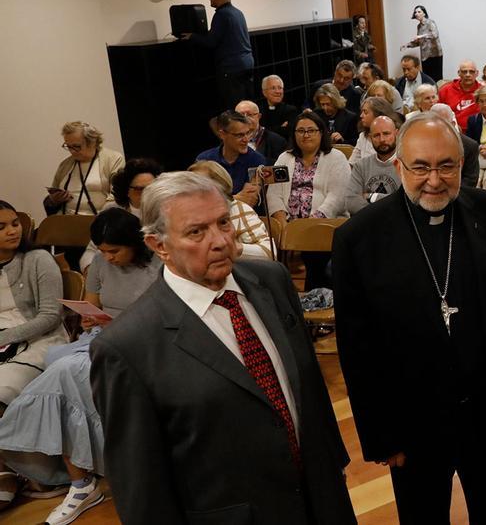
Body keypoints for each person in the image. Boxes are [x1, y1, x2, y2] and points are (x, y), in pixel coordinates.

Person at [89, 172, 356, 524]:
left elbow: (307, 386)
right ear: (159, 245)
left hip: (322, 500)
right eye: (196, 232)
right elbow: (142, 488)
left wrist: (333, 465)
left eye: (223, 222)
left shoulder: (272, 280)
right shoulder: (126, 346)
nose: (220, 241)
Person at [333, 113, 486, 523]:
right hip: (411, 423)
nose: (434, 179)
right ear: (398, 166)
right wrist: (380, 435)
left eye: (446, 166)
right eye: (421, 167)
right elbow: (358, 347)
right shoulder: (360, 237)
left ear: (461, 165)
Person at [0, 209, 160, 524]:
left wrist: (116, 325)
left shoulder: (159, 265)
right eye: (102, 251)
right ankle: (77, 478)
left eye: (114, 251)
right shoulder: (100, 264)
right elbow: (93, 306)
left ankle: (80, 481)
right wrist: (89, 317)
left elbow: (164, 318)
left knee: (61, 374)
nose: (107, 258)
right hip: (105, 333)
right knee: (58, 364)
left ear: (135, 244)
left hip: (144, 339)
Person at [0, 201, 69, 511]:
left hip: (40, 340)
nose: (12, 230)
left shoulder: (37, 259)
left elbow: (51, 315)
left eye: (14, 223)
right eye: (1, 227)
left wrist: (4, 338)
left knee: (2, 389)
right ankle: (6, 471)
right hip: (4, 342)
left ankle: (38, 473)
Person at [267, 110, 351, 289]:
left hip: (324, 223)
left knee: (314, 254)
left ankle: (316, 296)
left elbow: (338, 197)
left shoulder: (336, 158)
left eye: (311, 130)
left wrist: (311, 224)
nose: (306, 135)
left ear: (321, 133)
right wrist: (282, 221)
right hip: (290, 225)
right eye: (301, 131)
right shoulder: (284, 158)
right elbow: (273, 193)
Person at [80, 158, 164, 273]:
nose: (147, 193)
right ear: (126, 190)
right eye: (139, 189)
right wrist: (90, 271)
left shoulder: (167, 211)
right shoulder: (112, 210)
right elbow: (92, 250)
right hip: (114, 271)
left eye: (152, 188)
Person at [183, 0, 254, 109]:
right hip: (246, 63)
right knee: (246, 105)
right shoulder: (238, 13)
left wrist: (192, 36)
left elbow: (211, 42)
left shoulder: (221, 15)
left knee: (233, 107)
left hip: (231, 67)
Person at [188, 161, 275, 260]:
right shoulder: (187, 215)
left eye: (198, 185)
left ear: (221, 187)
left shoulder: (237, 209)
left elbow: (269, 252)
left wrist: (233, 247)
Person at [45, 121, 125, 217]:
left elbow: (118, 196)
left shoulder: (113, 159)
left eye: (76, 146)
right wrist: (54, 200)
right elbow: (54, 195)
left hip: (100, 220)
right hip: (67, 220)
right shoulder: (65, 165)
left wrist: (102, 220)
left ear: (92, 143)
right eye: (68, 146)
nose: (72, 151)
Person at [195, 110, 266, 204]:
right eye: (239, 135)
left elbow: (249, 200)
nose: (246, 140)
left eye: (248, 133)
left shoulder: (257, 160)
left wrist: (221, 199)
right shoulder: (204, 160)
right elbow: (201, 198)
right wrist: (236, 198)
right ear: (222, 134)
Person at [346, 115, 401, 215]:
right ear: (371, 138)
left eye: (386, 134)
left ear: (396, 134)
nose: (382, 139)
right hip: (366, 225)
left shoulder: (407, 164)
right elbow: (351, 202)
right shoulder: (361, 166)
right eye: (376, 135)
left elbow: (406, 203)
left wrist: (371, 196)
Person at [431, 104, 481, 191]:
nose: (438, 128)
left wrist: (446, 191)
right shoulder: (421, 144)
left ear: (453, 124)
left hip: (458, 194)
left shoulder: (469, 146)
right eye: (434, 124)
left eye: (443, 124)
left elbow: (470, 180)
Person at [349, 96, 400, 164]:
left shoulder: (397, 136)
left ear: (378, 114)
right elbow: (352, 163)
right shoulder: (363, 136)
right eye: (376, 135)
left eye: (365, 112)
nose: (361, 115)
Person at [407, 5, 442, 80]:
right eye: (415, 12)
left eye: (419, 12)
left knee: (437, 79)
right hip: (425, 56)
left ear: (424, 13)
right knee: (427, 79)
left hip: (434, 55)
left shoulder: (430, 22)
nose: (416, 14)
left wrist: (421, 36)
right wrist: (407, 45)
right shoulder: (419, 26)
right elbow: (420, 42)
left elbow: (435, 35)